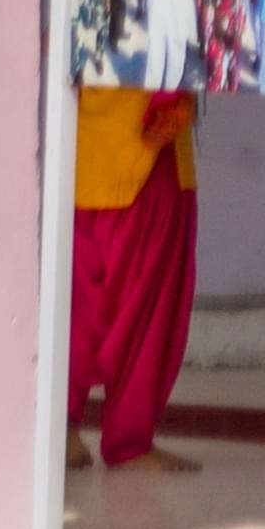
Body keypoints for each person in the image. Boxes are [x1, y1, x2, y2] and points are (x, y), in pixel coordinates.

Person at [68, 85, 205, 474]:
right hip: (148, 163)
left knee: (73, 311)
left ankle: (62, 432)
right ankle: (129, 442)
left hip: (78, 158)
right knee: (147, 316)